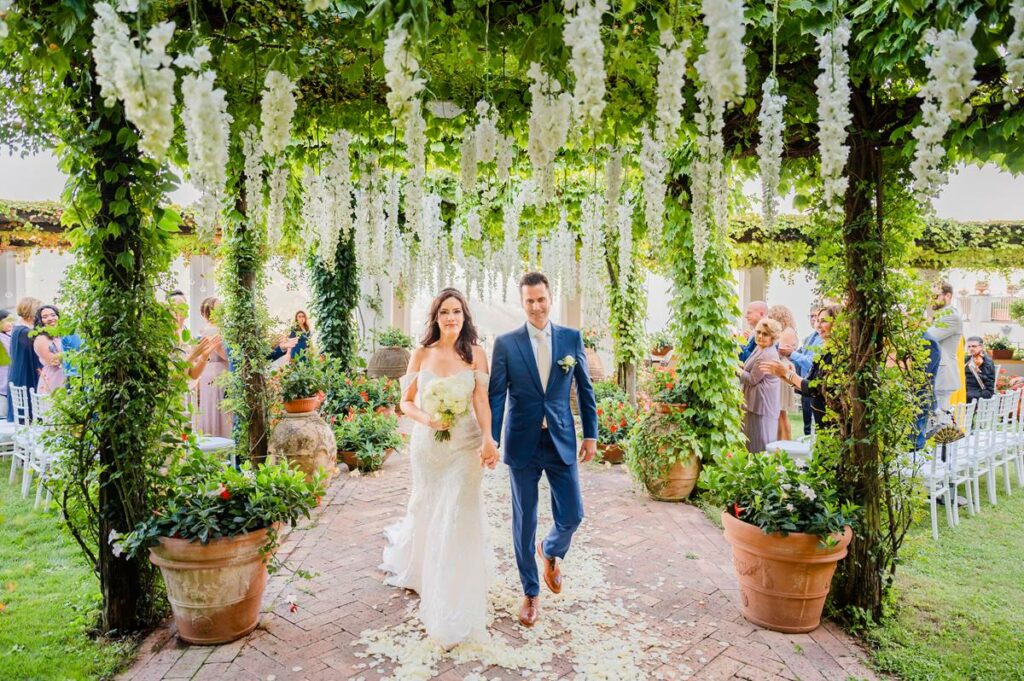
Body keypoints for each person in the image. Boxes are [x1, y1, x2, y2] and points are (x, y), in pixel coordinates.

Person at [380, 288, 498, 649]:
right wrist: (428, 419)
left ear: (465, 317)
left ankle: (453, 591)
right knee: (430, 508)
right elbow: (405, 403)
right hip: (429, 446)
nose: (451, 318)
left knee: (458, 512)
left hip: (465, 446)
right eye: (445, 312)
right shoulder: (421, 353)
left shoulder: (476, 353)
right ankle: (423, 569)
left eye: (457, 312)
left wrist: (488, 439)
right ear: (435, 317)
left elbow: (481, 400)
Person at [488, 271, 598, 629]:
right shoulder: (506, 343)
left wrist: (591, 434)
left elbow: (584, 389)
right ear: (522, 303)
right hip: (522, 442)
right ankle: (531, 593)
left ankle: (550, 550)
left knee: (573, 514)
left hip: (561, 439)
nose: (536, 306)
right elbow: (497, 395)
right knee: (524, 522)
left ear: (551, 298)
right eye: (529, 301)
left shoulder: (570, 338)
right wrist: (492, 439)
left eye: (541, 299)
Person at [761, 304, 840, 431]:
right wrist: (785, 376)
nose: (817, 325)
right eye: (816, 320)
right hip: (818, 414)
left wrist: (788, 374)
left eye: (823, 321)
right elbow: (810, 384)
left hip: (830, 421)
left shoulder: (835, 354)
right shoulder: (821, 347)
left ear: (836, 323)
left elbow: (814, 387)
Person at [738, 318, 782, 453]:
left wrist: (734, 368)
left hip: (761, 405)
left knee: (759, 445)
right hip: (754, 403)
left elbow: (752, 379)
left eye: (765, 334)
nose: (760, 336)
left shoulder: (766, 355)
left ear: (773, 337)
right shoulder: (760, 348)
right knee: (750, 443)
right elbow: (749, 368)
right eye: (758, 332)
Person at [195, 297, 232, 438]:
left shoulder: (205, 330)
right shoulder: (213, 330)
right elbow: (226, 355)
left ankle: (212, 439)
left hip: (208, 371)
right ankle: (222, 440)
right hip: (218, 372)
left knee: (211, 409)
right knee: (219, 409)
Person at [927, 281, 963, 412]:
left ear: (947, 296)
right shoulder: (941, 315)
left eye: (935, 296)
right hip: (937, 373)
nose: (932, 300)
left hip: (942, 374)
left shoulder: (951, 316)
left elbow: (928, 337)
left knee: (939, 420)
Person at [6, 297, 42, 421]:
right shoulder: (25, 331)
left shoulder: (18, 328)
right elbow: (35, 354)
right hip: (25, 374)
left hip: (19, 372)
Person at [767, 305, 799, 441]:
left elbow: (780, 350)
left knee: (780, 412)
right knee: (780, 412)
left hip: (783, 369)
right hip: (784, 368)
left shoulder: (787, 332)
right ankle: (782, 443)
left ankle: (784, 443)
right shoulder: (790, 330)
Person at [797, 307, 823, 436]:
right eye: (811, 316)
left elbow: (810, 362)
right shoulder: (809, 338)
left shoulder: (823, 339)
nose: (814, 320)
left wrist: (792, 355)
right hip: (804, 384)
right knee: (807, 424)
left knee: (816, 425)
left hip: (814, 387)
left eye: (817, 317)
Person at [33, 305, 65, 395]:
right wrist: (73, 351)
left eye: (53, 315)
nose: (50, 318)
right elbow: (53, 361)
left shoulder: (61, 335)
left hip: (67, 377)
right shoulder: (41, 339)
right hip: (53, 379)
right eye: (45, 317)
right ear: (40, 321)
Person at [964, 335, 996, 403]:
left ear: (981, 347)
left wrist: (977, 372)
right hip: (969, 389)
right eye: (969, 346)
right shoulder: (968, 359)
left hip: (983, 391)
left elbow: (986, 380)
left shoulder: (987, 361)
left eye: (974, 346)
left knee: (965, 396)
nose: (971, 348)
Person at [0, 311, 13, 419]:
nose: (11, 323)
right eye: (7, 321)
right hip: (2, 387)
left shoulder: (7, 336)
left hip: (6, 384)